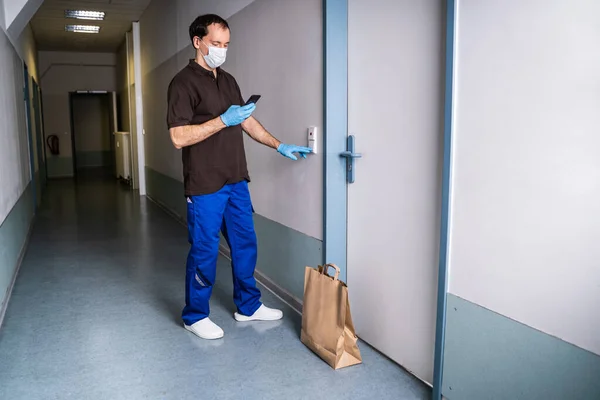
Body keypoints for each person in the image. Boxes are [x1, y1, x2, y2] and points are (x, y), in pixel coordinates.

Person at [166, 14, 312, 340]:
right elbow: (178, 137)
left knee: (245, 244)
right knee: (204, 250)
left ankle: (248, 306)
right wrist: (222, 119)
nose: (221, 50)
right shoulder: (182, 83)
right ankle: (195, 315)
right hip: (204, 184)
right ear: (198, 41)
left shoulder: (228, 80)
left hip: (236, 180)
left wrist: (279, 145)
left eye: (226, 44)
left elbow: (245, 121)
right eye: (216, 44)